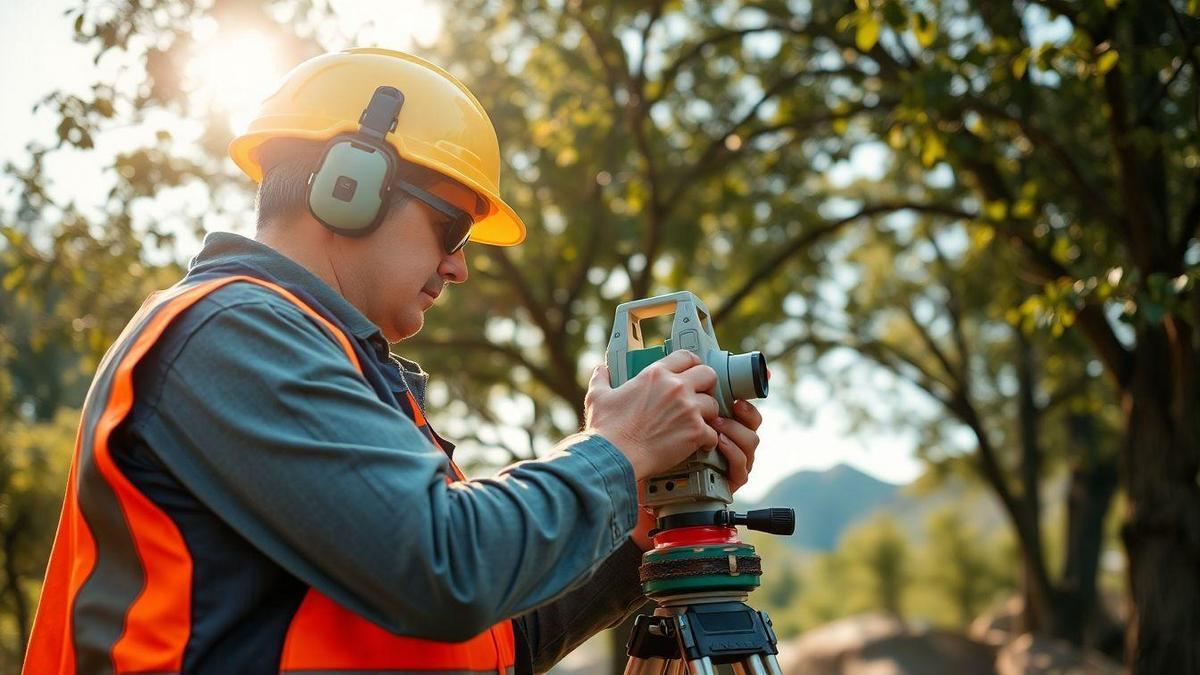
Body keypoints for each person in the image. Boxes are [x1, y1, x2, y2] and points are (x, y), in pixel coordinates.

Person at [22, 48, 762, 675]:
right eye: (452, 229)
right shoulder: (227, 331)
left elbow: (490, 640)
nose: (459, 266)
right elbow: (446, 567)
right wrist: (615, 451)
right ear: (350, 184)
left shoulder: (342, 372)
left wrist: (638, 524)